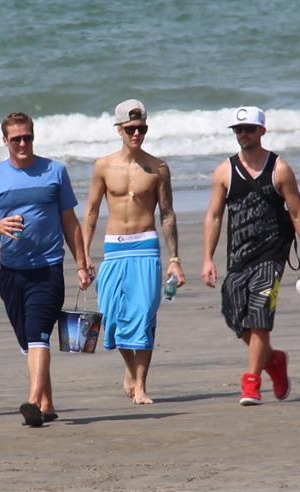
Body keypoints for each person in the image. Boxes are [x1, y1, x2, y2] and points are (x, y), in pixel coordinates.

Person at [0, 112, 91, 427]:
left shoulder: (55, 172)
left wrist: (81, 263)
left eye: (27, 137)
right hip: (11, 272)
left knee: (38, 333)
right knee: (29, 341)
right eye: (16, 139)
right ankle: (47, 403)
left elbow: (69, 221)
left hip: (48, 268)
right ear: (5, 141)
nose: (23, 143)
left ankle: (33, 402)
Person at [201, 106, 300, 406]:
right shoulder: (224, 171)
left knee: (260, 318)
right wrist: (207, 258)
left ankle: (251, 383)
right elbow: (214, 216)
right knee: (235, 317)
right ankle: (274, 361)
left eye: (249, 129)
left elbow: (297, 212)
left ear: (262, 131)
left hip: (272, 255)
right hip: (238, 257)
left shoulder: (279, 169)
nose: (243, 134)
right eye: (238, 129)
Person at [82, 99, 185, 404]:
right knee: (111, 318)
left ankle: (141, 384)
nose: (137, 133)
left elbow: (167, 213)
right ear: (119, 130)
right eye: (130, 129)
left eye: (141, 128)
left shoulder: (158, 168)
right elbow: (91, 211)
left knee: (143, 316)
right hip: (114, 248)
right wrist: (84, 255)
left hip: (146, 247)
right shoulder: (103, 166)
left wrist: (174, 259)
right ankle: (130, 367)